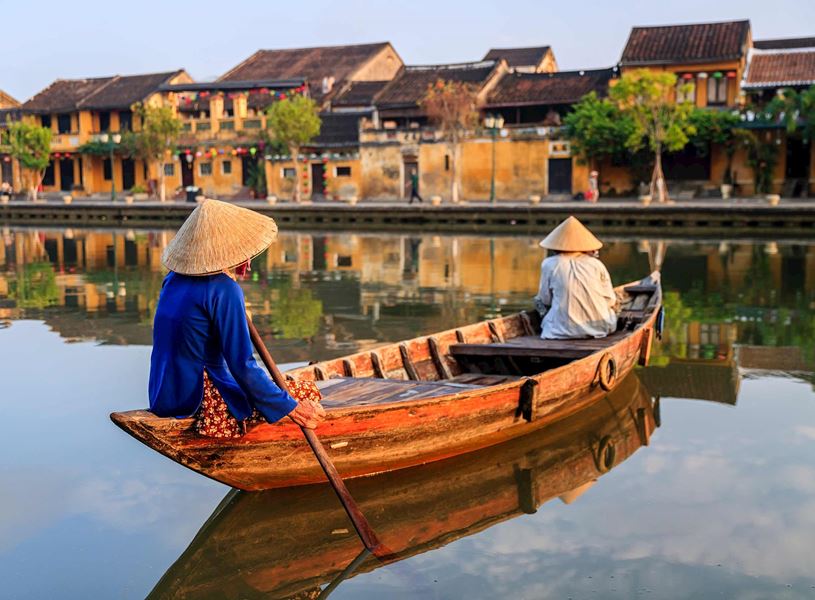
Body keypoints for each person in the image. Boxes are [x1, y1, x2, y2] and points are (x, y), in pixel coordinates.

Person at [149, 199, 325, 438]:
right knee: (308, 391)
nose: (248, 264)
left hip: (163, 393)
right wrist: (292, 408)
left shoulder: (173, 279)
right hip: (199, 397)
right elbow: (242, 365)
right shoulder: (224, 290)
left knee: (283, 387)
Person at [534, 216, 618, 339]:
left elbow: (545, 300)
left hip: (559, 331)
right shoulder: (596, 264)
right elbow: (611, 300)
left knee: (537, 301)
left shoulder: (549, 264)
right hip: (600, 328)